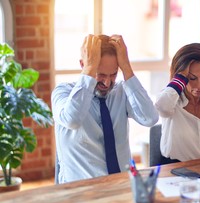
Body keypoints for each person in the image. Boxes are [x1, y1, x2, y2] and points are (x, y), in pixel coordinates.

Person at [52, 34, 159, 183]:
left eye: (113, 74)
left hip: (122, 186)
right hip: (80, 191)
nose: (107, 82)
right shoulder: (62, 93)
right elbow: (72, 120)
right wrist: (90, 69)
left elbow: (150, 118)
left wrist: (126, 67)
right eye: (100, 75)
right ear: (83, 65)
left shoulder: (121, 92)